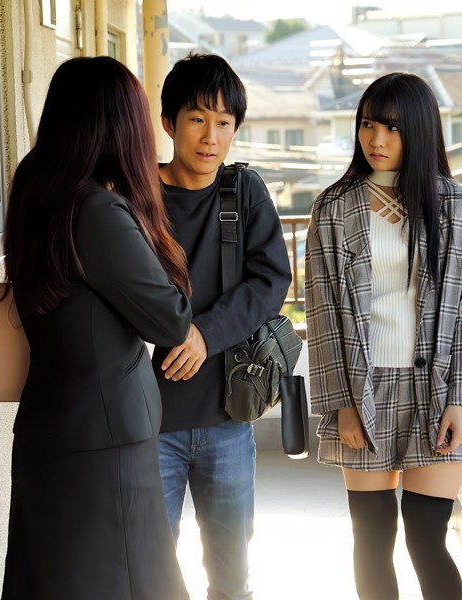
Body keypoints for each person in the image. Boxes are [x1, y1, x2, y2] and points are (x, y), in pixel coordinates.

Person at [0, 56, 193, 600]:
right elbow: (171, 318)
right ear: (117, 126)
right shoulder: (97, 210)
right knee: (134, 584)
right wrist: (148, 217)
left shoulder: (35, 190)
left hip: (51, 427)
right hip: (107, 443)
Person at [305, 72, 462, 600]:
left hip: (439, 391)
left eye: (392, 127)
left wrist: (461, 402)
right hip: (363, 389)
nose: (377, 139)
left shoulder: (460, 208)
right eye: (368, 125)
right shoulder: (334, 207)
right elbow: (321, 314)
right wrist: (342, 404)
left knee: (426, 538)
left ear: (420, 131)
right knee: (372, 539)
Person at [152, 52, 292, 600]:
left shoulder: (243, 191)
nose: (211, 137)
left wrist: (204, 334)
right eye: (197, 119)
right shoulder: (137, 197)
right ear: (169, 123)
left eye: (224, 122)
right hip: (149, 422)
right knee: (150, 576)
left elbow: (271, 280)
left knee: (231, 580)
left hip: (228, 418)